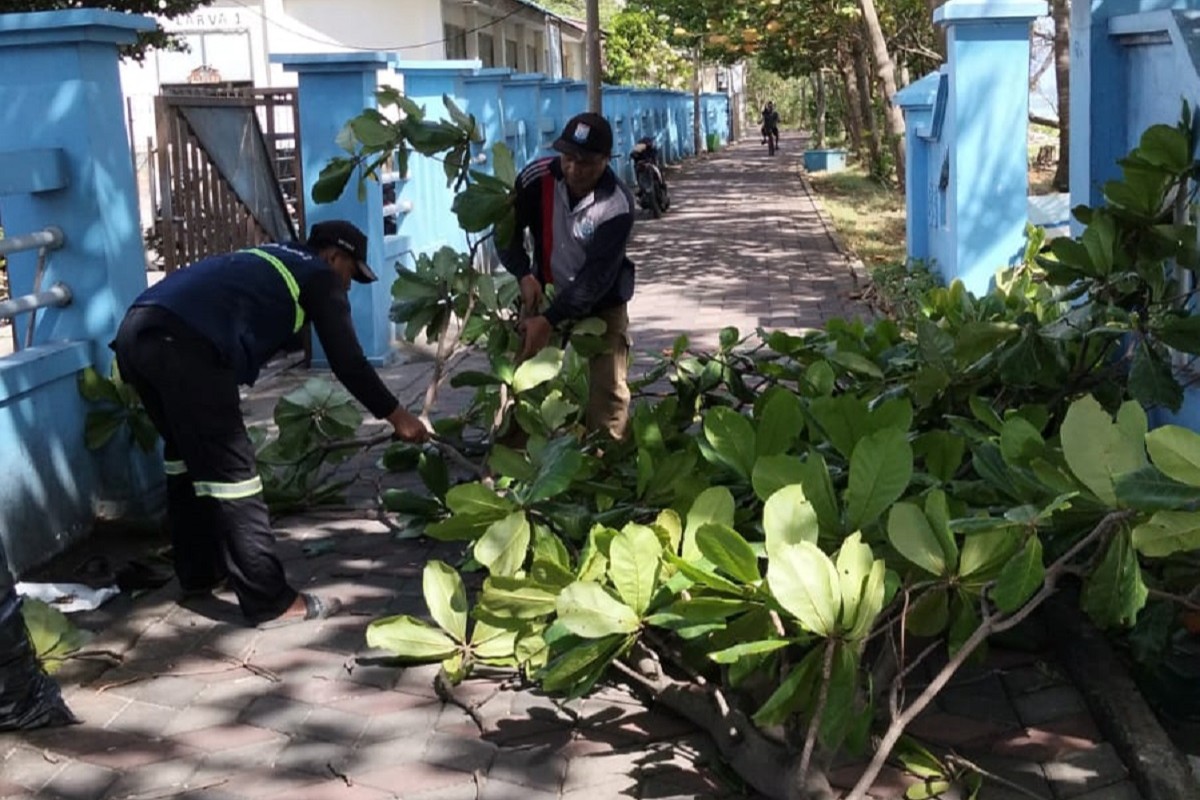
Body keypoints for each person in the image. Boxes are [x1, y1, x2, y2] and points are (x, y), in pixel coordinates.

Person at [112, 220, 429, 627]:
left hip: (136, 334)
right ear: (334, 257)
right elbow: (348, 361)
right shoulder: (319, 276)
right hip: (186, 347)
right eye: (351, 273)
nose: (348, 286)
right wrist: (399, 417)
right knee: (234, 475)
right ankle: (270, 602)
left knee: (187, 458)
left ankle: (198, 571)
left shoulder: (272, 256)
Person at [498, 112, 636, 440]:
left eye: (585, 162)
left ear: (606, 160)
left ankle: (607, 455)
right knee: (523, 378)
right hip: (545, 289)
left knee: (609, 389)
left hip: (602, 303)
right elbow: (505, 231)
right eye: (568, 158)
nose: (574, 168)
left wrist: (549, 320)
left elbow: (596, 278)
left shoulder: (616, 204)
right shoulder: (536, 178)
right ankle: (511, 453)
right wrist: (523, 274)